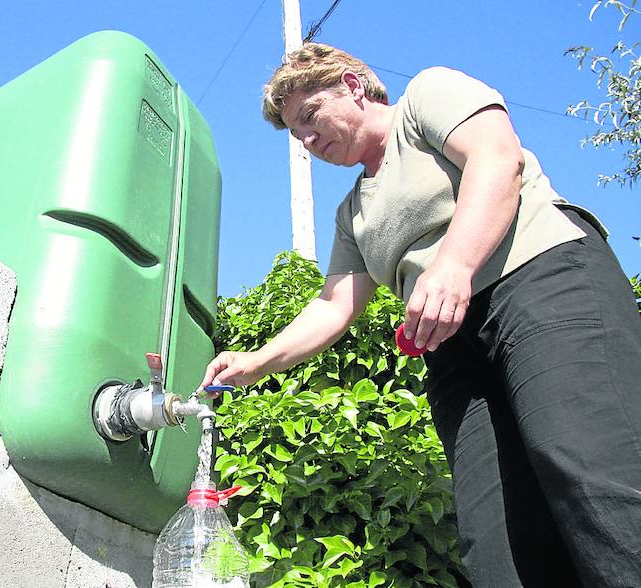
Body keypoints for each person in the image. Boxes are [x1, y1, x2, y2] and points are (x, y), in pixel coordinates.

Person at [199, 43, 641, 587]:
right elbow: (335, 304)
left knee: (591, 473)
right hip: (455, 351)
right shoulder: (351, 214)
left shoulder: (425, 99)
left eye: (311, 118)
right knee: (496, 535)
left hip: (541, 280)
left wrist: (453, 263)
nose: (308, 141)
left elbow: (497, 158)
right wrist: (257, 362)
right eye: (298, 136)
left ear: (352, 85)